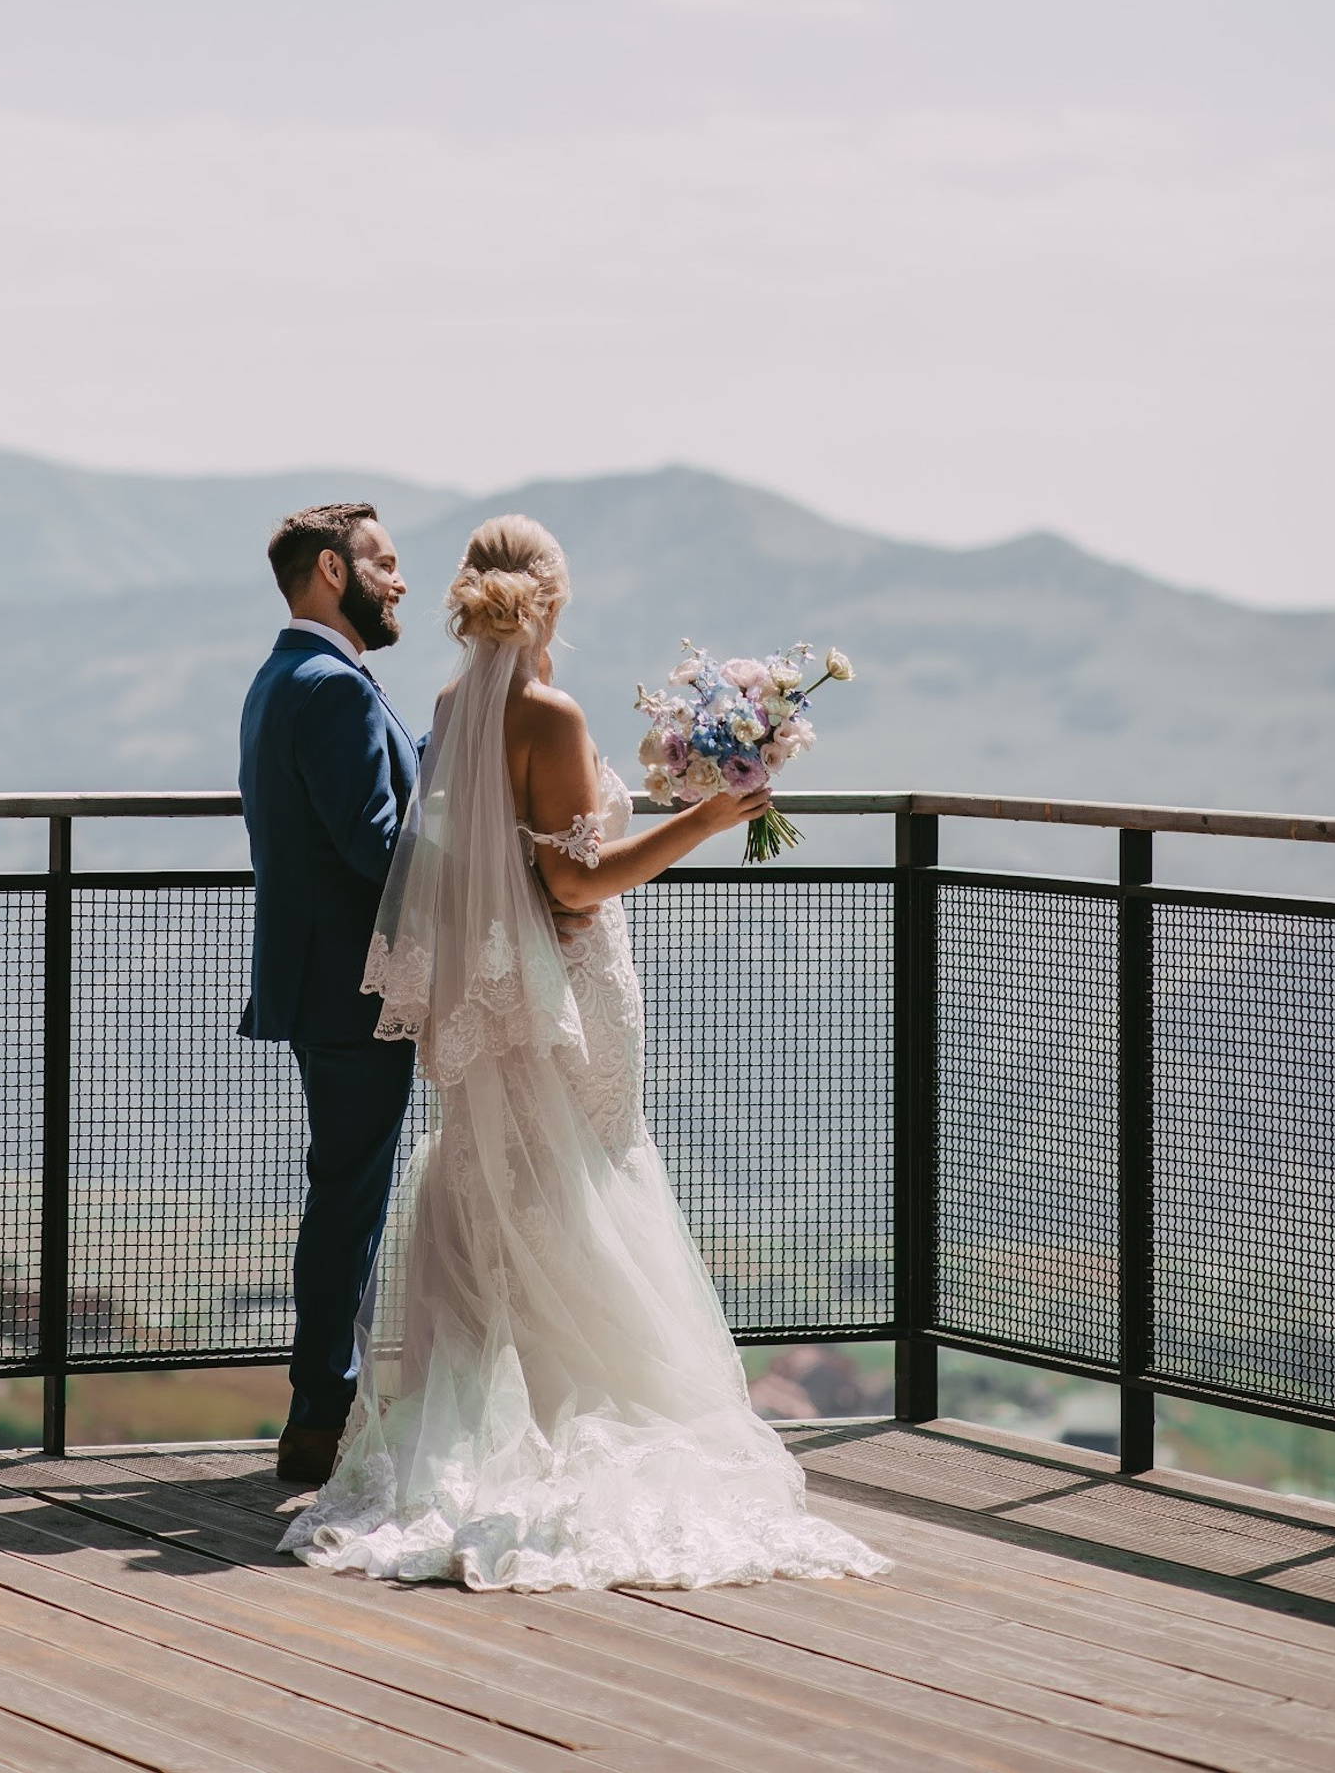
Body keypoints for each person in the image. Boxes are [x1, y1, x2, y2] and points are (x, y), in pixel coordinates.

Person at [281, 512, 887, 1591]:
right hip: (569, 997)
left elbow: (493, 860)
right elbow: (573, 882)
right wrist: (709, 819)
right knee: (581, 1195)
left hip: (498, 1008)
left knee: (509, 1192)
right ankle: (581, 1428)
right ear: (553, 600)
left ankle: (504, 1430)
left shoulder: (452, 705)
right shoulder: (549, 714)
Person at [238, 501, 419, 1488]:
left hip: (320, 980)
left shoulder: (285, 676)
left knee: (345, 1192)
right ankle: (320, 1417)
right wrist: (499, 872)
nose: (401, 580)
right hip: (354, 986)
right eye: (383, 562)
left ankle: (327, 1411)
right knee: (349, 1201)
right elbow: (376, 844)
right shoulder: (332, 687)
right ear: (333, 570)